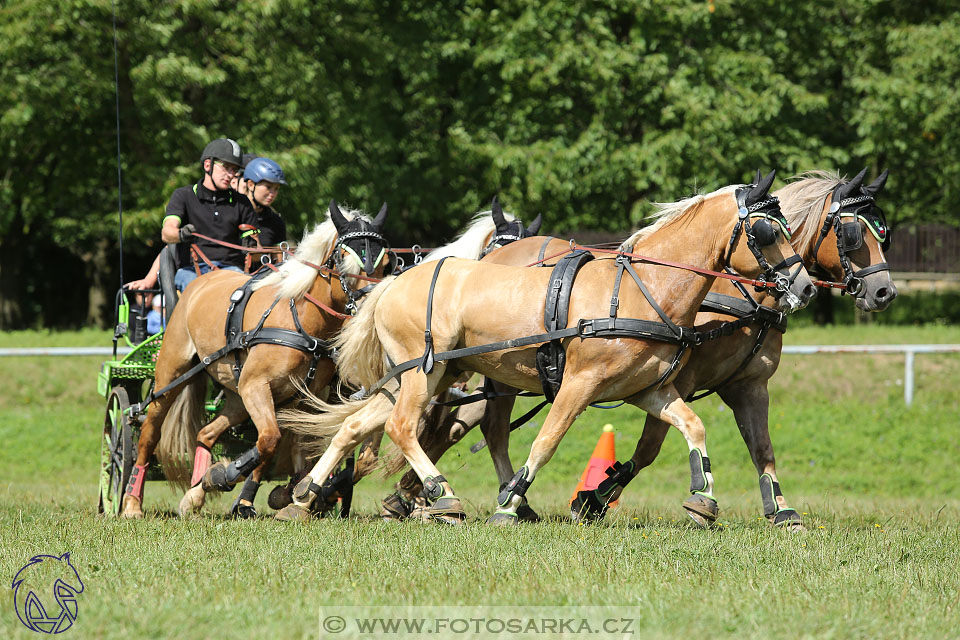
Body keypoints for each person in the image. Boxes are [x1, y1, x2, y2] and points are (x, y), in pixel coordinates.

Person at [161, 138, 260, 291]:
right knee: (199, 291)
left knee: (248, 292)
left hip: (232, 271)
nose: (230, 174)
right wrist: (181, 234)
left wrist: (252, 248)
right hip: (191, 271)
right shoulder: (183, 195)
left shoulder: (242, 202)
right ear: (208, 165)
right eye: (226, 167)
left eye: (234, 170)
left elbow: (257, 251)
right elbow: (167, 233)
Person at [236, 156, 288, 247]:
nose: (272, 193)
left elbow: (279, 258)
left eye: (276, 189)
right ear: (251, 185)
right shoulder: (233, 213)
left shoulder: (276, 222)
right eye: (268, 187)